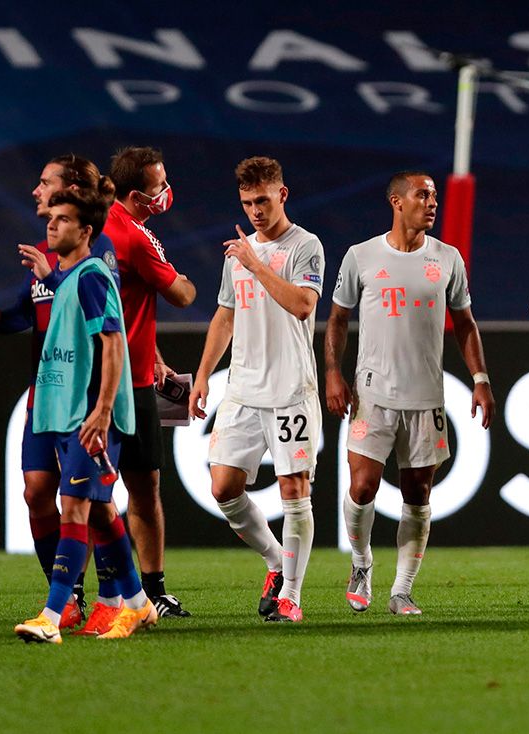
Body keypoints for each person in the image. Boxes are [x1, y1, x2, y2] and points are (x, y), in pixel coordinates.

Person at [325, 171, 495, 615]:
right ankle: (361, 564)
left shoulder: (448, 258)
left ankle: (402, 589)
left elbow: (466, 324)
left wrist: (481, 379)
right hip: (372, 394)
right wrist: (332, 372)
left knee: (417, 494)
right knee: (362, 487)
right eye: (423, 194)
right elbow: (338, 319)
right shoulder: (361, 256)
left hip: (426, 397)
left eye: (435, 195)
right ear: (396, 202)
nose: (432, 202)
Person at [0, 154, 121, 633]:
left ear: (73, 194)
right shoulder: (48, 256)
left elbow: (105, 326)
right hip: (46, 396)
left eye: (47, 185)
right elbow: (22, 314)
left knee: (88, 503)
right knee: (38, 492)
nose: (38, 194)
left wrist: (104, 405)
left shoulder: (97, 259)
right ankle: (82, 597)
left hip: (86, 399)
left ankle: (100, 600)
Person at [15, 188, 156, 643]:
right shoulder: (73, 277)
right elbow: (76, 308)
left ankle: (51, 617)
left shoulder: (94, 276)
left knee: (74, 506)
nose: (51, 225)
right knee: (97, 510)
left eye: (63, 219)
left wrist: (103, 410)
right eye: (50, 217)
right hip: (68, 410)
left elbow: (113, 342)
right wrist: (51, 279)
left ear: (86, 231)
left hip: (89, 414)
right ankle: (137, 604)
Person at [189, 157, 324, 623]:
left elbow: (303, 306)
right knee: (224, 487)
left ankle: (291, 595)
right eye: (247, 203)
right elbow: (225, 315)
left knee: (294, 491)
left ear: (282, 195)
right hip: (244, 389)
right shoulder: (239, 253)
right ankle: (274, 561)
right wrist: (204, 373)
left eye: (263, 201)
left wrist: (256, 263)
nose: (255, 211)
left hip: (291, 389)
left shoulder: (306, 246)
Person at [104, 146, 197, 617]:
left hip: (110, 375)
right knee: (142, 490)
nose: (166, 191)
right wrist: (183, 276)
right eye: (160, 184)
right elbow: (181, 295)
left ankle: (87, 595)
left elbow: (121, 307)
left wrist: (154, 352)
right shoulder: (136, 237)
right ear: (139, 194)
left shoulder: (96, 227)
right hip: (128, 387)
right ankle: (150, 589)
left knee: (89, 492)